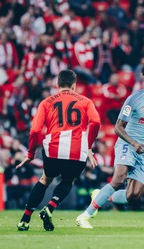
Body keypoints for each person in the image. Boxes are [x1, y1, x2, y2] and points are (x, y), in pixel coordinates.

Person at [76, 61, 144, 229]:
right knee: (119, 178)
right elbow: (118, 128)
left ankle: (101, 195)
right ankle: (85, 216)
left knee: (133, 195)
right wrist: (134, 143)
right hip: (128, 143)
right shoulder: (134, 99)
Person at [16, 69, 101, 231]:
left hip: (53, 148)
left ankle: (25, 219)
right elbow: (96, 122)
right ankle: (50, 207)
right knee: (68, 180)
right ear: (74, 85)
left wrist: (30, 154)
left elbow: (34, 130)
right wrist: (88, 146)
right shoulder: (86, 101)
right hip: (77, 149)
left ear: (57, 84)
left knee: (45, 180)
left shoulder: (46, 102)